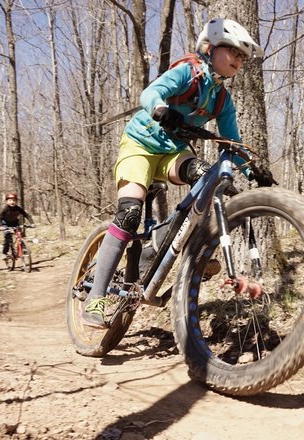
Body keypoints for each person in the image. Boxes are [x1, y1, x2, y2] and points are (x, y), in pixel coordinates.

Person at [81, 18, 265, 328]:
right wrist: (159, 108)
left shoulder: (222, 98)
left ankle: (192, 246)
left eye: (243, 56)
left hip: (171, 153)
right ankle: (95, 298)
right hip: (139, 145)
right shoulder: (187, 72)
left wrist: (253, 169)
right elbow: (151, 93)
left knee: (207, 177)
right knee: (128, 215)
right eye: (232, 51)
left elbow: (232, 143)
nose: (238, 59)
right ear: (209, 48)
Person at [0, 192, 34, 259]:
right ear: (6, 201)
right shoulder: (5, 209)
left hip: (15, 223)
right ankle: (4, 253)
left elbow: (27, 215)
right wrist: (0, 226)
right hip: (5, 224)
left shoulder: (18, 208)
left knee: (21, 234)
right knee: (7, 237)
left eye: (14, 200)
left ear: (16, 201)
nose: (12, 202)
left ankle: (24, 248)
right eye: (10, 200)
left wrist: (32, 223)